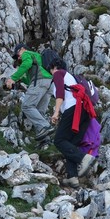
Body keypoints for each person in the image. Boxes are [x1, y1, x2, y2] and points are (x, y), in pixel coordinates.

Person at [46, 55, 96, 189]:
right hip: (85, 112)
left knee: (59, 140)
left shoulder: (58, 73)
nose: (50, 72)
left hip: (74, 109)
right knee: (71, 144)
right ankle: (72, 177)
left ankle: (83, 158)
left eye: (50, 69)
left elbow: (60, 94)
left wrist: (56, 113)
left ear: (54, 67)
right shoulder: (71, 77)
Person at [6, 43, 54, 142]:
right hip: (49, 84)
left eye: (18, 54)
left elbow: (26, 64)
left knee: (27, 106)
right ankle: (45, 140)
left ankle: (45, 126)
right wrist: (21, 80)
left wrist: (13, 78)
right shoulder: (37, 58)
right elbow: (29, 80)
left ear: (22, 49)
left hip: (40, 81)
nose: (18, 57)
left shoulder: (27, 53)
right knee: (39, 112)